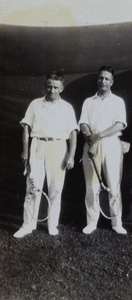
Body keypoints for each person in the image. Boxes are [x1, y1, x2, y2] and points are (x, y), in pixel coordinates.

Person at [13, 71, 78, 238]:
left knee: (56, 188)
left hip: (58, 146)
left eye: (55, 87)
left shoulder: (67, 107)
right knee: (33, 186)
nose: (52, 90)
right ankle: (28, 225)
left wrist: (71, 155)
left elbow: (72, 133)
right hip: (37, 146)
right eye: (49, 86)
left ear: (61, 88)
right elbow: (26, 127)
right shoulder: (35, 104)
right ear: (45, 86)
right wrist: (26, 150)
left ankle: (52, 225)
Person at [79, 66, 129, 235]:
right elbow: (83, 123)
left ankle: (116, 223)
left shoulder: (118, 101)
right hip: (91, 144)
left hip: (111, 144)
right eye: (101, 78)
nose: (103, 81)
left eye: (107, 79)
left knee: (114, 185)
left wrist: (98, 136)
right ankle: (91, 222)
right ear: (97, 80)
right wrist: (89, 137)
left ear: (112, 82)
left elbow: (120, 124)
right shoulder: (88, 101)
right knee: (91, 186)